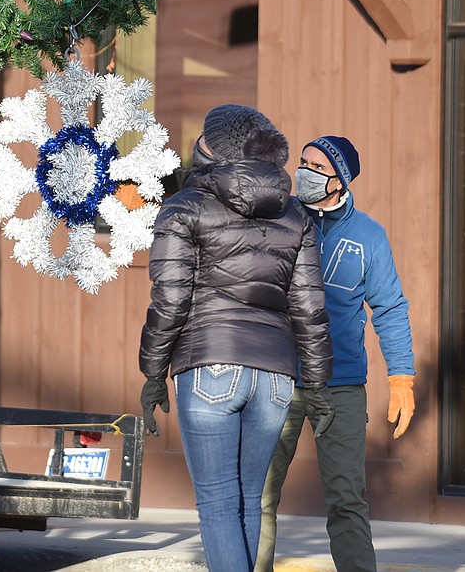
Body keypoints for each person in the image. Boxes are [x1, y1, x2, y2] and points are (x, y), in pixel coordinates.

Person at [139, 104, 334, 572]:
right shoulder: (297, 217)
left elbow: (170, 298)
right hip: (275, 377)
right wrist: (320, 384)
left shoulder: (184, 207)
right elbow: (309, 306)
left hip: (209, 363)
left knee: (219, 504)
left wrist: (152, 373)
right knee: (248, 501)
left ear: (212, 149)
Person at [256, 135, 416, 572]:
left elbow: (390, 307)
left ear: (340, 181)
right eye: (302, 162)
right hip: (277, 382)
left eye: (317, 167)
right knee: (259, 492)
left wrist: (401, 378)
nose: (304, 173)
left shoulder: (368, 236)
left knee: (346, 500)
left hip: (342, 387)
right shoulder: (279, 218)